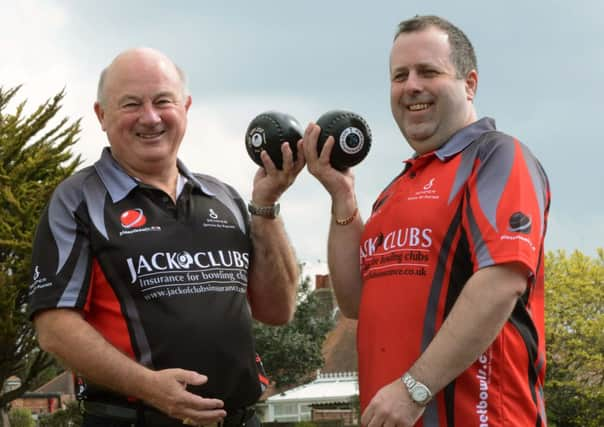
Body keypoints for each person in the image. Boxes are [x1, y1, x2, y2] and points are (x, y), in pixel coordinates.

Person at [28, 47, 304, 427]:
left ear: (186, 107)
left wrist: (266, 205)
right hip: (132, 418)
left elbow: (277, 310)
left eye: (163, 101)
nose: (151, 117)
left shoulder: (224, 197)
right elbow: (54, 328)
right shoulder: (78, 200)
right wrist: (150, 387)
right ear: (101, 115)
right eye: (131, 104)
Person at [303, 15, 550, 427]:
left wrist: (414, 387)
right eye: (399, 75)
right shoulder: (395, 189)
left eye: (428, 71)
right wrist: (342, 196)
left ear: (469, 83)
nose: (411, 85)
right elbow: (353, 301)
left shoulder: (497, 157)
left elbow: (501, 282)